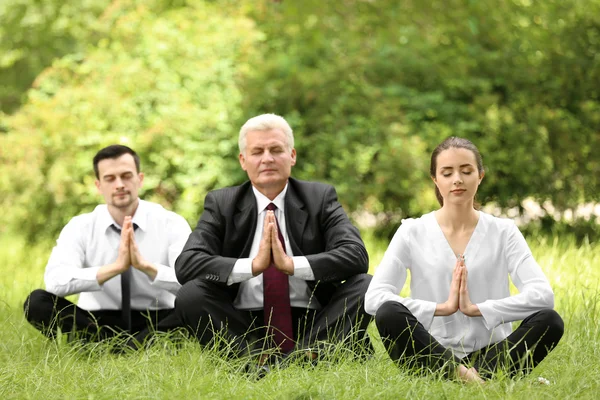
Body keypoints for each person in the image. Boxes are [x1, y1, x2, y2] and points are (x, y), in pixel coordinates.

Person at [174, 113, 372, 365]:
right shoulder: (222, 203)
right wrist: (252, 266)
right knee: (191, 294)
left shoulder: (319, 197)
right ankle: (253, 358)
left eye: (276, 149)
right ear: (243, 161)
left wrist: (292, 265)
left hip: (315, 322)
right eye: (257, 151)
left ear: (292, 156)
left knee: (366, 285)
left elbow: (356, 255)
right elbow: (187, 265)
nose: (267, 158)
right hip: (242, 324)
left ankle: (304, 355)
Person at [365, 137, 564, 382]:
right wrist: (442, 308)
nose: (457, 179)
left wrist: (478, 309)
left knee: (550, 320)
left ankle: (472, 378)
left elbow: (543, 295)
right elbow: (374, 298)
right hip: (431, 351)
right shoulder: (412, 231)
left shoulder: (504, 231)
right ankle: (472, 380)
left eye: (466, 171)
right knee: (388, 312)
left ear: (480, 176)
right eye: (447, 173)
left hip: (493, 353)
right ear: (435, 180)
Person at [23, 145, 191, 349]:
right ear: (98, 185)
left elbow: (191, 285)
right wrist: (115, 268)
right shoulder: (80, 226)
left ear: (140, 179)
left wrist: (147, 267)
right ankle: (114, 347)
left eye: (126, 176)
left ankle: (125, 348)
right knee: (37, 301)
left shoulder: (170, 223)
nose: (119, 184)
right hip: (96, 322)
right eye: (110, 178)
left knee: (198, 303)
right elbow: (55, 283)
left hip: (157, 320)